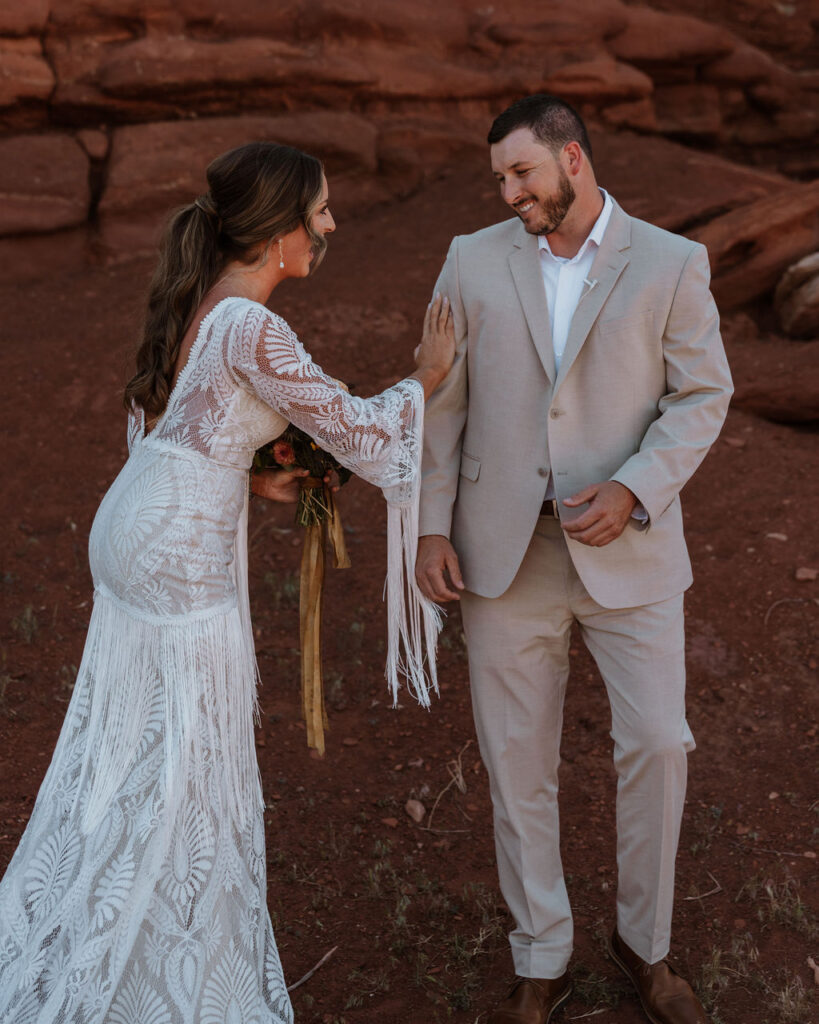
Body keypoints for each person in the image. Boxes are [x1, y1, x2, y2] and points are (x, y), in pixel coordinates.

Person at [0, 141, 453, 1023]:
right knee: (185, 764)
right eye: (317, 212)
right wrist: (428, 376)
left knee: (131, 748)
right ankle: (158, 971)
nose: (328, 226)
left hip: (138, 518)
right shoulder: (251, 322)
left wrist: (248, 474)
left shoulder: (205, 305)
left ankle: (98, 908)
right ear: (280, 228)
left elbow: (173, 418)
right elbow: (359, 431)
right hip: (173, 553)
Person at [415, 94, 732, 1024]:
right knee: (516, 760)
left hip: (625, 548)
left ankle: (645, 946)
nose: (509, 193)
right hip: (500, 555)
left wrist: (637, 487)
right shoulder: (471, 260)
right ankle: (540, 954)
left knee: (657, 746)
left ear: (574, 161)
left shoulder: (672, 263)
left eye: (522, 173)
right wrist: (433, 523)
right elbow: (444, 401)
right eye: (499, 180)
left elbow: (702, 394)